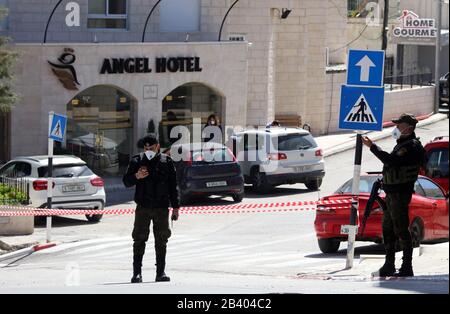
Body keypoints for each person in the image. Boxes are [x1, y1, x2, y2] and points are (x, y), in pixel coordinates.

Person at [362, 113, 426, 277]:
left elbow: (391, 161)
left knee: (401, 229)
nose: (396, 128)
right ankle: (389, 264)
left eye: (399, 125)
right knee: (387, 229)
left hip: (400, 193)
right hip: (391, 194)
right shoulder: (401, 144)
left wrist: (373, 147)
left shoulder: (411, 146)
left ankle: (407, 266)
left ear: (409, 128)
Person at [123, 135, 180, 283]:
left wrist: (176, 207)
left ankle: (160, 272)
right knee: (139, 239)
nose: (149, 150)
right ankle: (137, 273)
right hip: (143, 207)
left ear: (158, 147)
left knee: (161, 239)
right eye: (146, 148)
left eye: (151, 148)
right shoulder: (137, 160)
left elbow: (173, 186)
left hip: (161, 207)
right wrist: (137, 175)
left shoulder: (166, 162)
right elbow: (126, 181)